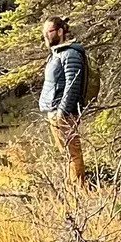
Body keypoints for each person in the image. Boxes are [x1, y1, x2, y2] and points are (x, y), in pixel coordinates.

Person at [38, 16, 89, 187]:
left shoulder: (70, 54)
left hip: (64, 114)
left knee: (73, 153)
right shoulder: (58, 54)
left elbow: (73, 84)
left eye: (49, 32)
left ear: (60, 32)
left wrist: (62, 112)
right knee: (68, 154)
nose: (46, 36)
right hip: (55, 112)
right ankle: (72, 190)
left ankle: (80, 192)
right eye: (44, 33)